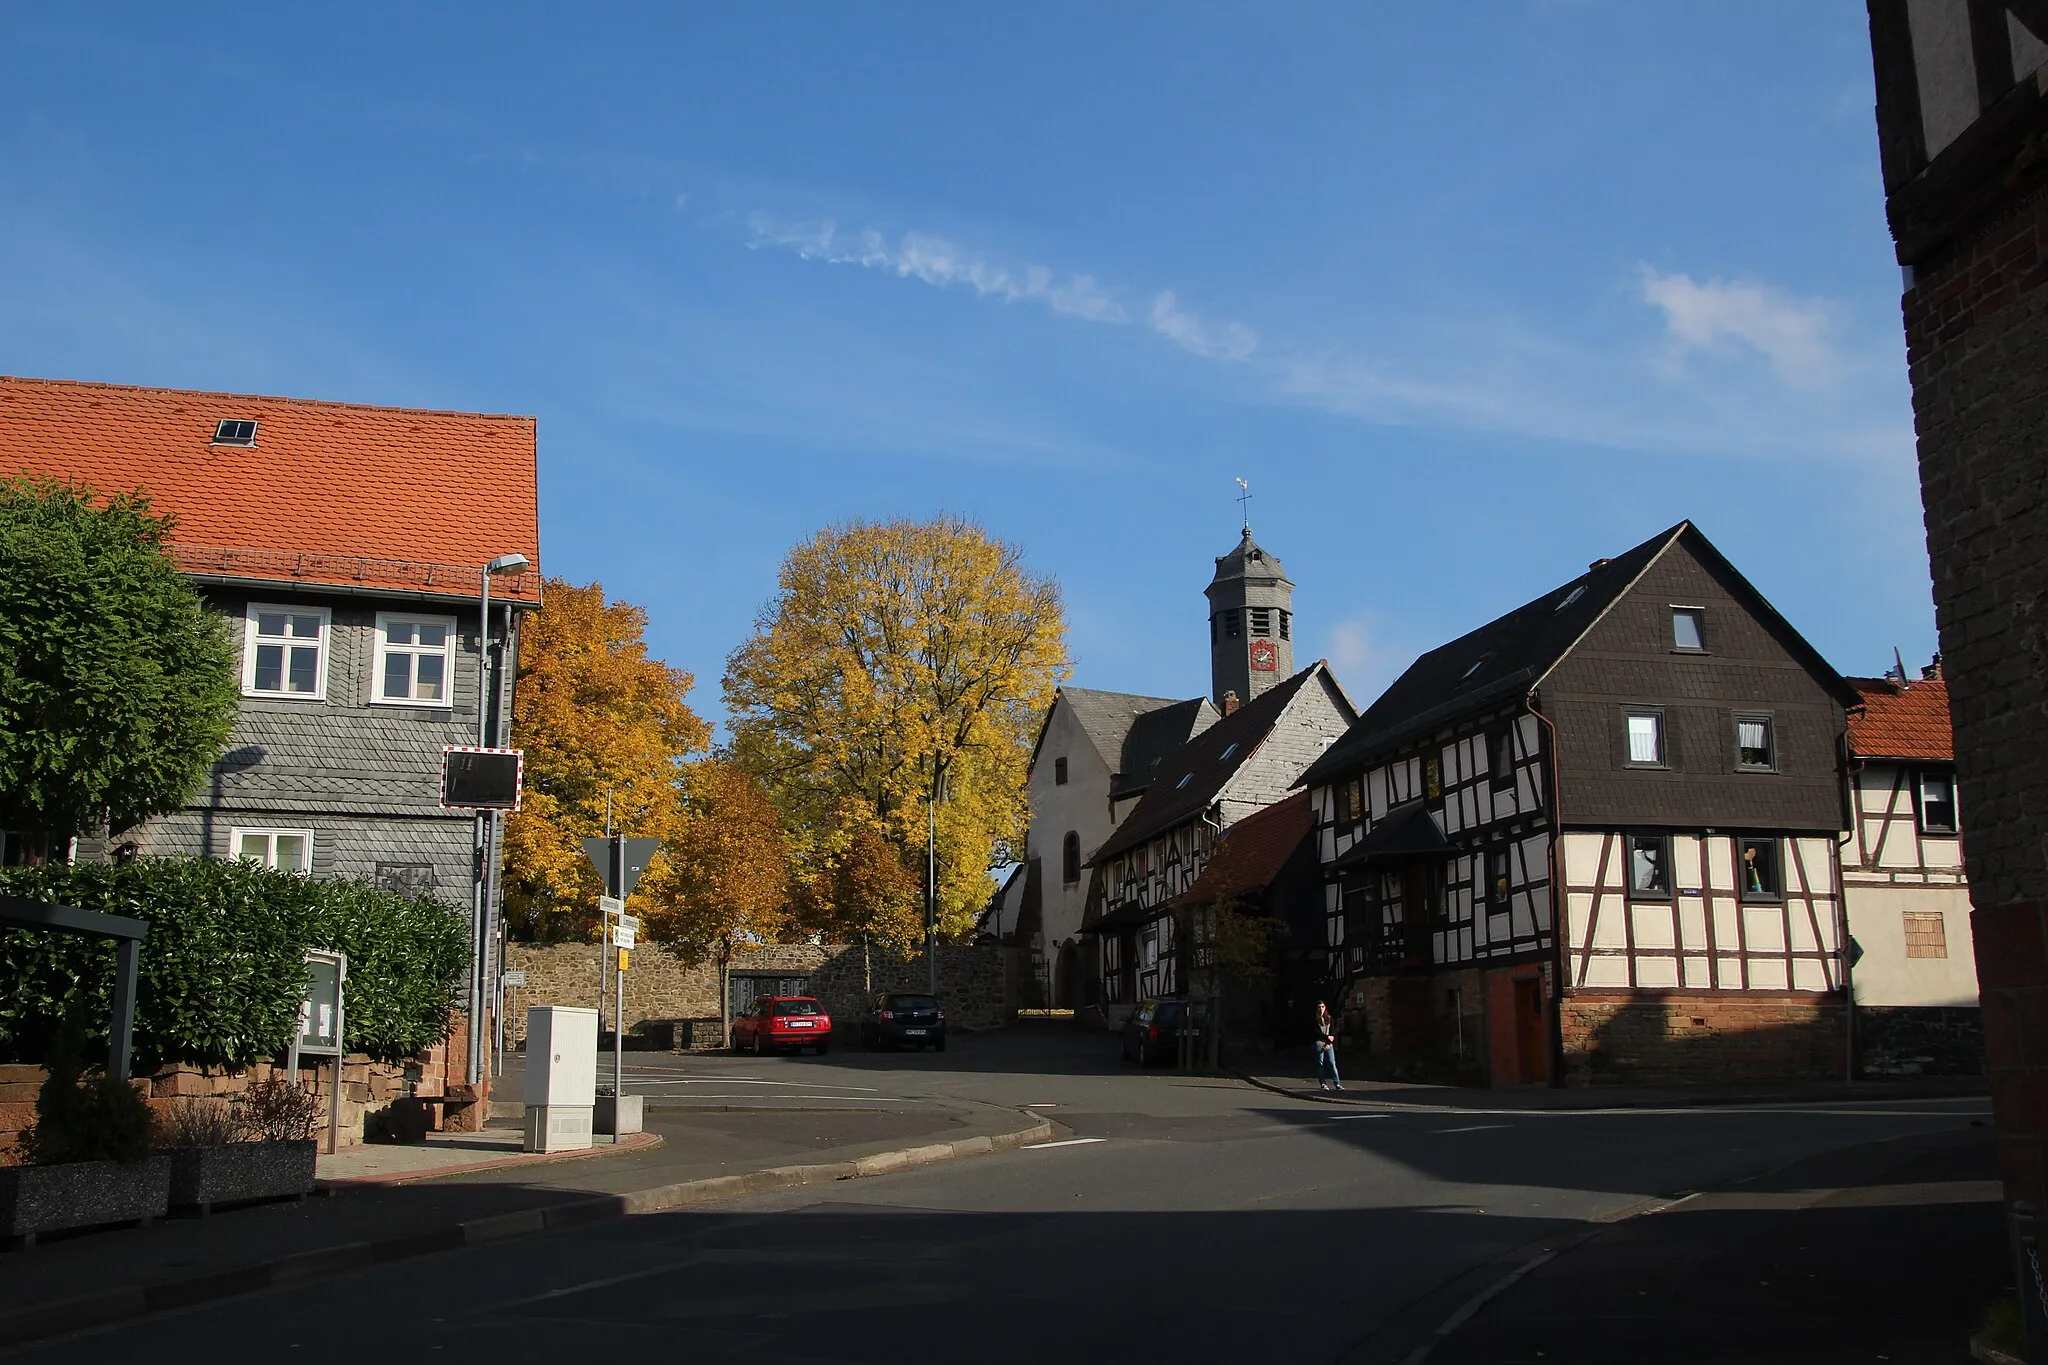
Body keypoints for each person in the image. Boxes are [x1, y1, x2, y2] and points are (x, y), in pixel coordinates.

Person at [1314, 1000, 1344, 1092]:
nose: (1321, 1009)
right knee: (1320, 1063)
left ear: (1325, 1008)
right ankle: (1323, 1083)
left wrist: (1330, 1042)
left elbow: (1332, 1030)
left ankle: (1337, 1083)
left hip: (1328, 1043)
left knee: (1332, 1063)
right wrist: (1327, 1037)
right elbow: (1316, 1033)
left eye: (1322, 1007)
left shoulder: (1329, 1018)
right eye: (1319, 1007)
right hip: (1319, 1042)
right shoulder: (1315, 1020)